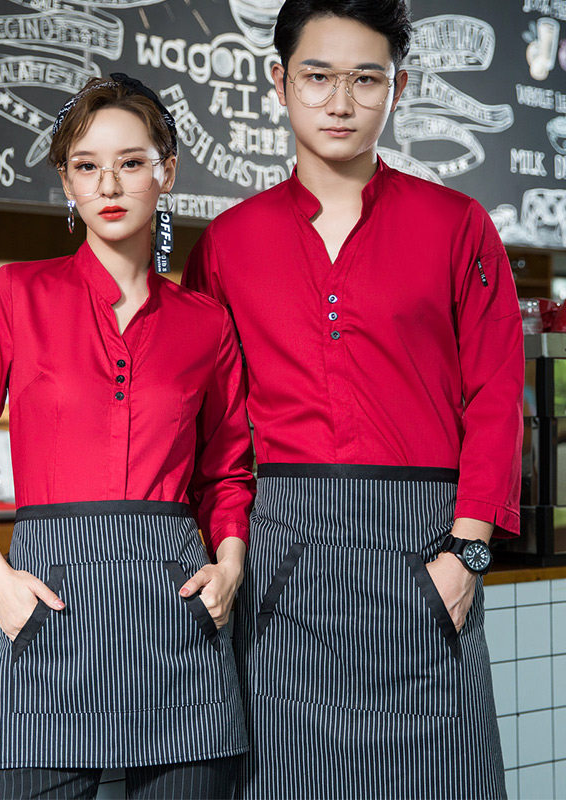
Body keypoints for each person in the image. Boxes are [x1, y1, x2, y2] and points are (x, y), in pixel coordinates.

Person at [182, 2, 523, 798]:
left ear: (396, 89)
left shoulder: (459, 226)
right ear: (279, 82)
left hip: (425, 551)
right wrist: (227, 548)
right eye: (318, 77)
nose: (341, 102)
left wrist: (467, 555)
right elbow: (213, 426)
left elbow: (497, 394)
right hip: (283, 562)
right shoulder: (227, 242)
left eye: (366, 80)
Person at [0, 74, 255, 800]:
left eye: (131, 162)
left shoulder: (205, 323)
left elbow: (227, 471)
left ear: (167, 172)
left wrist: (230, 564)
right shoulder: (15, 294)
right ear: (66, 182)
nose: (108, 184)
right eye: (86, 165)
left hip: (176, 619)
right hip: (44, 610)